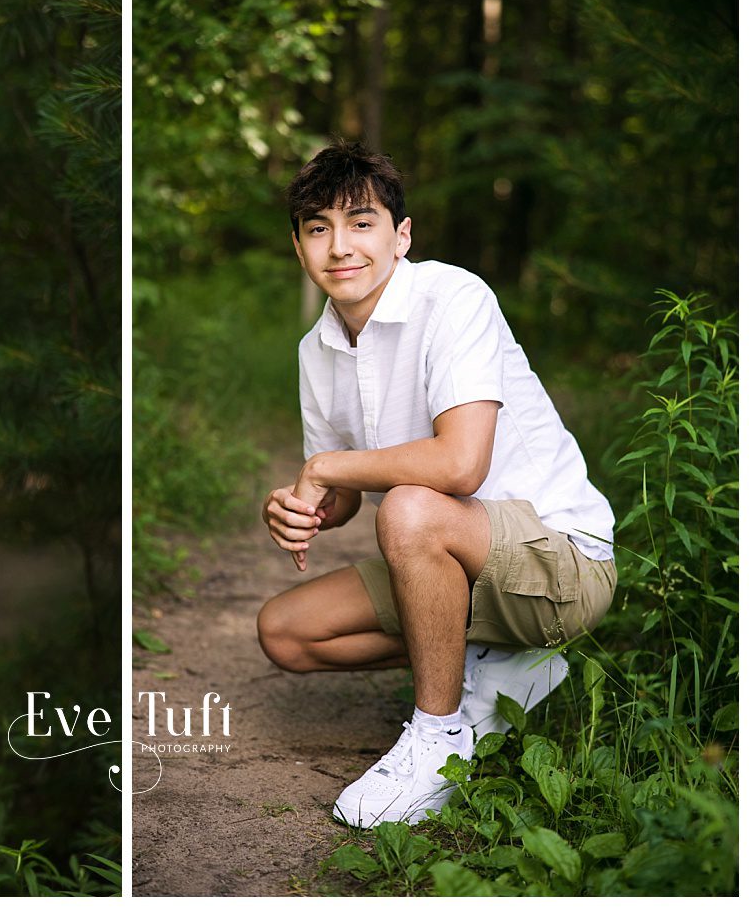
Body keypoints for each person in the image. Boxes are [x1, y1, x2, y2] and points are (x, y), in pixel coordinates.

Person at [253, 142, 617, 828]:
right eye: (318, 228)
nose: (340, 246)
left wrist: (328, 467)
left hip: (563, 561)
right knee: (286, 632)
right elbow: (347, 497)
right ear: (298, 246)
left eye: (362, 222)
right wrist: (303, 508)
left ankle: (440, 738)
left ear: (402, 234)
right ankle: (501, 662)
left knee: (415, 510)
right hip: (458, 560)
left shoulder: (453, 297)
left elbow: (460, 466)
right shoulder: (317, 349)